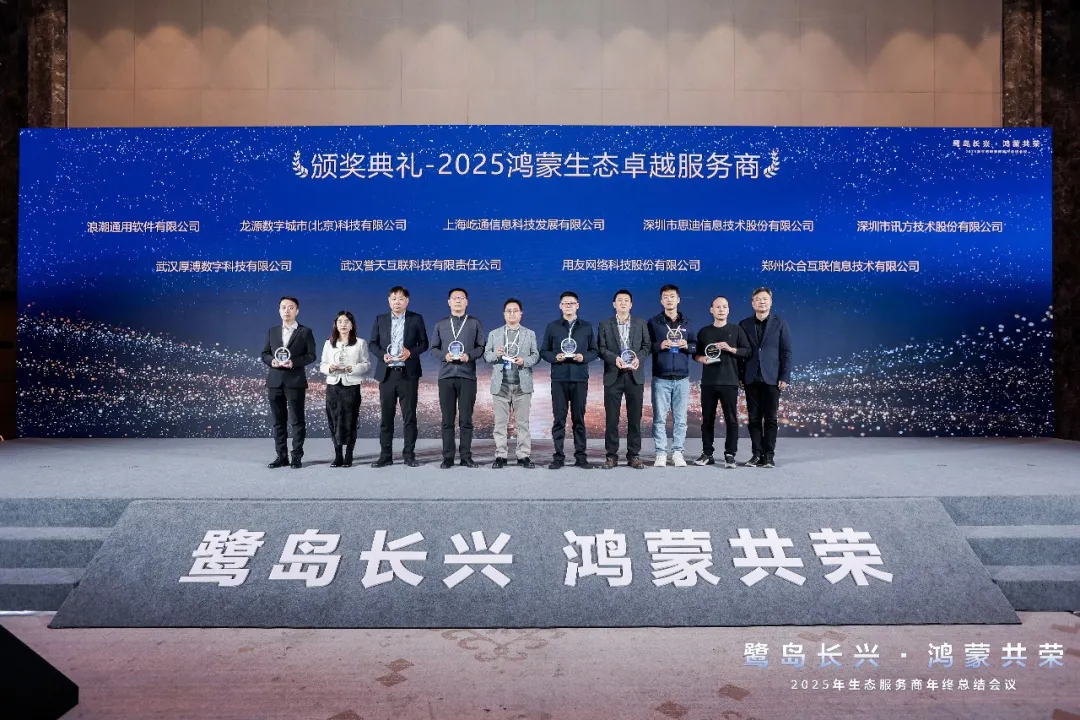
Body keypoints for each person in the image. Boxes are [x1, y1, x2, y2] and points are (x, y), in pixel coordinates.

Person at [368, 286, 429, 468]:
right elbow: (372, 343)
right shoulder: (380, 319)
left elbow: (424, 343)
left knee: (409, 417)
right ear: (389, 301)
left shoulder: (416, 319)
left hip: (408, 374)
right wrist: (382, 355)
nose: (397, 302)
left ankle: (409, 455)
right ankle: (385, 455)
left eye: (401, 298)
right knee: (386, 418)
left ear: (407, 301)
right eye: (394, 298)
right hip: (387, 375)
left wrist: (410, 352)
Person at [539, 291, 598, 469]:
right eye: (566, 303)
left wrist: (584, 357)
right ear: (560, 306)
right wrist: (554, 357)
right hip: (559, 378)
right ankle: (558, 456)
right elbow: (544, 351)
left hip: (580, 378)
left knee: (579, 419)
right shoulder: (552, 327)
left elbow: (595, 351)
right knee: (559, 419)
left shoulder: (586, 327)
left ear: (577, 305)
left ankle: (581, 456)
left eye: (572, 303)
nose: (569, 306)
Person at [429, 288, 486, 469]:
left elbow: (481, 347)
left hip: (467, 376)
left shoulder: (474, 323)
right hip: (446, 376)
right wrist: (443, 356)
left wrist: (469, 355)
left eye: (461, 298)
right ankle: (447, 457)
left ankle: (466, 456)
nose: (458, 301)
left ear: (467, 302)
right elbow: (434, 348)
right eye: (455, 298)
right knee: (447, 420)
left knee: (466, 420)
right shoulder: (441, 324)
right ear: (449, 302)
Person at [738, 287, 792, 468]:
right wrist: (740, 375)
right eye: (758, 299)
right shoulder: (744, 324)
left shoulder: (780, 323)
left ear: (771, 302)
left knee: (770, 419)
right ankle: (756, 454)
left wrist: (785, 376)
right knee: (753, 419)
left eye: (765, 299)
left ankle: (769, 455)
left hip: (772, 378)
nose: (762, 302)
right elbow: (741, 353)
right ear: (752, 303)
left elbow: (786, 352)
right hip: (751, 377)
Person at [693, 296, 751, 468]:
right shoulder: (704, 332)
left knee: (731, 420)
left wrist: (730, 348)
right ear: (711, 310)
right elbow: (695, 354)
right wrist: (701, 359)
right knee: (707, 420)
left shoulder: (737, 330)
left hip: (729, 381)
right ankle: (707, 453)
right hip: (708, 382)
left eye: (724, 307)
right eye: (717, 307)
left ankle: (730, 454)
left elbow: (747, 351)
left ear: (728, 310)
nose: (721, 309)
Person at [596, 289, 651, 469]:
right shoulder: (605, 324)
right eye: (619, 300)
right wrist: (615, 359)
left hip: (635, 376)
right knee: (612, 419)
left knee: (635, 418)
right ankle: (611, 456)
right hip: (614, 375)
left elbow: (647, 346)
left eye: (626, 300)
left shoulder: (640, 323)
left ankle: (633, 455)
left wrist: (638, 359)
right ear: (614, 304)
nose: (623, 303)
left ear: (631, 304)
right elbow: (601, 348)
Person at [261, 296, 317, 469]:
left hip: (295, 381)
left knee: (297, 421)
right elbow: (265, 353)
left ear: (297, 311)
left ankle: (296, 456)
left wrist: (294, 362)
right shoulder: (272, 331)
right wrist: (272, 361)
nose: (287, 310)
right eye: (283, 307)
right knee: (278, 421)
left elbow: (311, 355)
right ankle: (281, 456)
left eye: (291, 307)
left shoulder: (305, 332)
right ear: (279, 311)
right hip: (274, 381)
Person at [483, 298, 540, 469]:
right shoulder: (494, 334)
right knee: (500, 423)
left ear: (521, 314)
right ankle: (500, 455)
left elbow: (536, 355)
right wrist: (497, 354)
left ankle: (523, 455)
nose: (512, 313)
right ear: (504, 314)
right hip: (501, 384)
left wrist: (524, 361)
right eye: (509, 311)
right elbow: (487, 356)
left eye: (515, 310)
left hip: (522, 385)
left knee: (523, 423)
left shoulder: (530, 334)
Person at [647, 284, 696, 467]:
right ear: (661, 301)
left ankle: (677, 452)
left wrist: (687, 346)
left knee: (680, 419)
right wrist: (659, 345)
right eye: (666, 297)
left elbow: (696, 346)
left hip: (682, 378)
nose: (669, 299)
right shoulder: (653, 322)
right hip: (661, 377)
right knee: (659, 418)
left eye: (672, 296)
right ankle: (660, 453)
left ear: (678, 299)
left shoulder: (688, 323)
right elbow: (646, 346)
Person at [319, 310, 370, 468]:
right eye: (340, 321)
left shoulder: (360, 343)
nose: (343, 324)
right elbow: (322, 365)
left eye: (347, 321)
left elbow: (366, 364)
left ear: (352, 325)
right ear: (335, 324)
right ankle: (338, 456)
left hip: (351, 386)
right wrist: (330, 368)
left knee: (351, 420)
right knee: (334, 420)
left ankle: (349, 455)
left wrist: (352, 368)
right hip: (333, 386)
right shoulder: (328, 343)